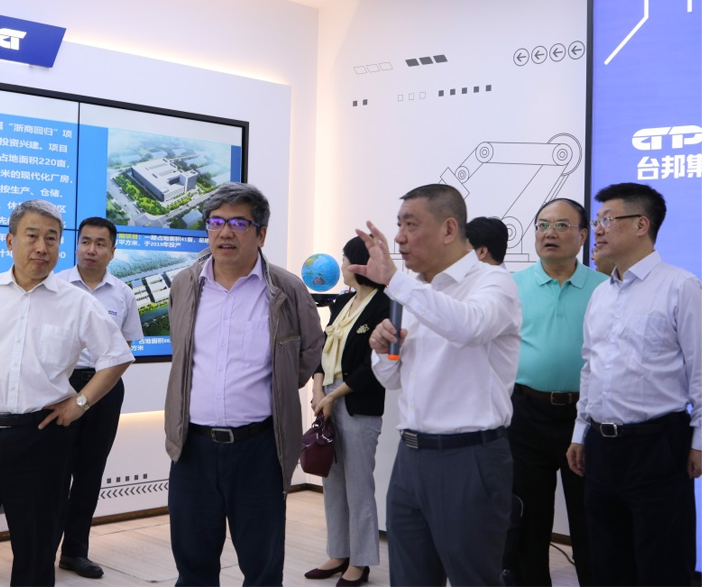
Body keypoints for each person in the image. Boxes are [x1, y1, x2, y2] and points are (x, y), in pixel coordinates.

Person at [0, 200, 134, 587]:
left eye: (51, 238)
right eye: (32, 236)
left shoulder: (77, 302)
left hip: (41, 439)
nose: (41, 247)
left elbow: (117, 357)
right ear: (10, 241)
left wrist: (80, 403)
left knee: (35, 552)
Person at [352, 183, 522, 586]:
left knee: (473, 578)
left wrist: (397, 282)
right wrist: (381, 349)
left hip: (469, 457)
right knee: (409, 577)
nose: (399, 238)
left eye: (410, 225)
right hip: (411, 457)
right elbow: (393, 378)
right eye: (398, 225)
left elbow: (469, 327)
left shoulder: (493, 282)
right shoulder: (415, 292)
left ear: (449, 229)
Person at [164, 182, 324, 586]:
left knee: (262, 567)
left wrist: (282, 385)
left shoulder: (286, 288)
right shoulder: (185, 284)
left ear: (261, 234)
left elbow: (309, 350)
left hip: (260, 450)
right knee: (193, 565)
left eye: (238, 223)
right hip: (192, 448)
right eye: (216, 222)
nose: (225, 232)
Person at [567, 182, 701, 586]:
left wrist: (699, 440)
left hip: (657, 445)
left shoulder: (681, 286)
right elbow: (590, 368)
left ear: (642, 224)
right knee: (608, 563)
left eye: (608, 219)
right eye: (597, 220)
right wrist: (580, 432)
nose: (598, 229)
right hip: (601, 448)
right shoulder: (600, 295)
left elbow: (700, 368)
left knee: (662, 564)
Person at [505, 198, 606, 586]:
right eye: (543, 225)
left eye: (562, 225)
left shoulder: (603, 288)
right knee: (528, 518)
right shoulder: (512, 286)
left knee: (590, 516)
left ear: (583, 235)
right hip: (526, 413)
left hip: (588, 417)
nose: (550, 233)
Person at [56, 217, 142, 579]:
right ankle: (41, 549)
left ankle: (75, 552)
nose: (91, 250)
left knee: (89, 473)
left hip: (104, 388)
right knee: (53, 473)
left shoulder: (123, 293)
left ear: (112, 250)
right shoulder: (55, 285)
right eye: (85, 242)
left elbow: (125, 348)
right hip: (60, 387)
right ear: (76, 245)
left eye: (100, 244)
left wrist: (97, 388)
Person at [305, 236, 391, 587]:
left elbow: (375, 366)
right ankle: (338, 552)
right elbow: (323, 347)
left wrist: (334, 395)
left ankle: (361, 561)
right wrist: (318, 389)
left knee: (358, 486)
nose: (340, 266)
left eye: (344, 259)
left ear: (358, 264)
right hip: (327, 395)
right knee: (333, 480)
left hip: (356, 402)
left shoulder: (385, 305)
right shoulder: (342, 301)